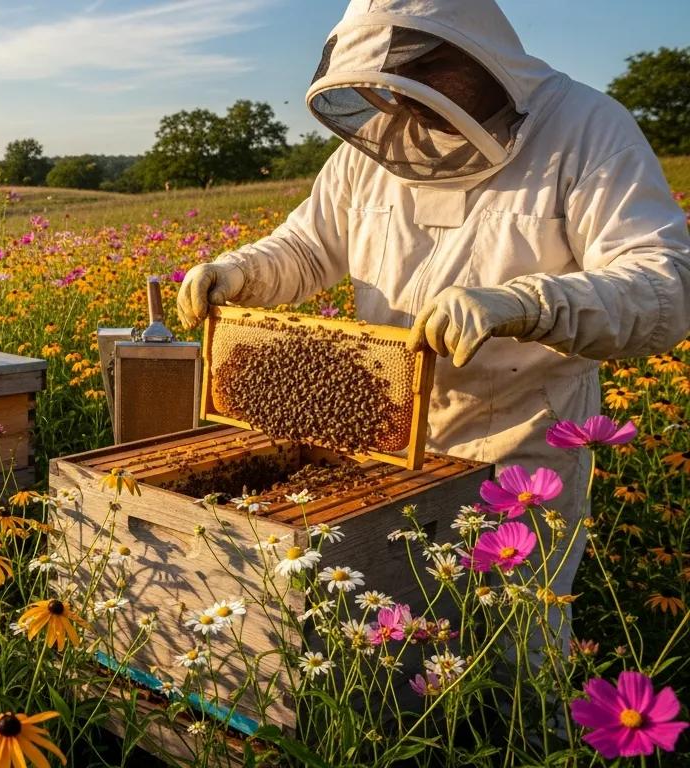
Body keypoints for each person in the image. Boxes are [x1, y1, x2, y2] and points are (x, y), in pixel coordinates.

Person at [176, 0, 690, 655]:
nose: (408, 104)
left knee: (515, 652)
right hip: (386, 447)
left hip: (521, 453)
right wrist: (242, 271)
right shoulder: (379, 143)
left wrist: (528, 304)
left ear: (473, 52)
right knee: (396, 653)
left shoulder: (586, 128)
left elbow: (665, 286)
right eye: (390, 83)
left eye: (427, 72)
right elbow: (309, 244)